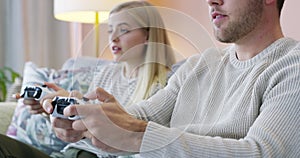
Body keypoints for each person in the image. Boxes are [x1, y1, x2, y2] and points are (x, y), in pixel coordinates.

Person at [1, 0, 300, 157]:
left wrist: (138, 135)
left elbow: (264, 153)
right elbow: (140, 115)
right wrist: (81, 120)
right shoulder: (200, 64)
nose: (212, 1)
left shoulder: (291, 65)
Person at [0, 1, 176, 158]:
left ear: (148, 35)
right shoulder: (106, 73)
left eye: (123, 30)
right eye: (110, 30)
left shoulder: (168, 84)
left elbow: (144, 139)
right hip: (70, 151)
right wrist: (57, 107)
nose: (113, 37)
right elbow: (84, 122)